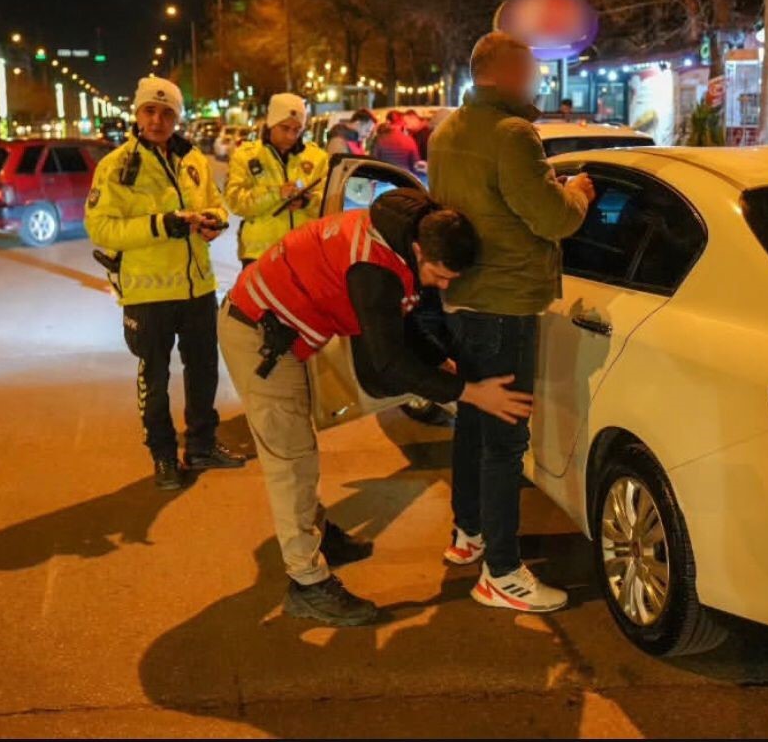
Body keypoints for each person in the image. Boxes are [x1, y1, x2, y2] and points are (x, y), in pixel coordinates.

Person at [219, 188, 533, 626]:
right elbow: (388, 359)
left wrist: (443, 365)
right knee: (291, 458)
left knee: (301, 448)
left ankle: (317, 535)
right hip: (260, 337)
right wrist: (470, 391)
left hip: (286, 331)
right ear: (420, 249)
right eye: (440, 275)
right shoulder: (375, 267)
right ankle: (307, 583)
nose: (444, 286)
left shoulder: (400, 238)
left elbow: (398, 329)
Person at [428, 31, 596, 613]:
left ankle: (467, 534)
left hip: (463, 299)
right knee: (505, 440)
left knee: (473, 426)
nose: (538, 82)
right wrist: (575, 192)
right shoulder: (513, 135)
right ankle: (502, 571)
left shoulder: (447, 130)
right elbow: (552, 218)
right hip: (506, 304)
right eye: (531, 71)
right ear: (504, 72)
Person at [86, 76, 249, 490]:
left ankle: (201, 445)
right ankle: (162, 456)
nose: (158, 120)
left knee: (204, 372)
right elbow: (102, 228)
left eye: (167, 113)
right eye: (150, 111)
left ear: (177, 117)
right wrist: (164, 225)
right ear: (137, 113)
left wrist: (217, 221)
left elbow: (215, 202)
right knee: (155, 379)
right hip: (148, 292)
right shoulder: (117, 166)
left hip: (197, 289)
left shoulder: (192, 160)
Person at [224, 93, 328, 269]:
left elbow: (330, 203)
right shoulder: (246, 156)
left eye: (297, 130)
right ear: (271, 124)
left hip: (304, 253)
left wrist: (306, 202)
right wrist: (276, 194)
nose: (290, 136)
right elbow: (236, 203)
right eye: (285, 128)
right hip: (260, 255)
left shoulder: (318, 158)